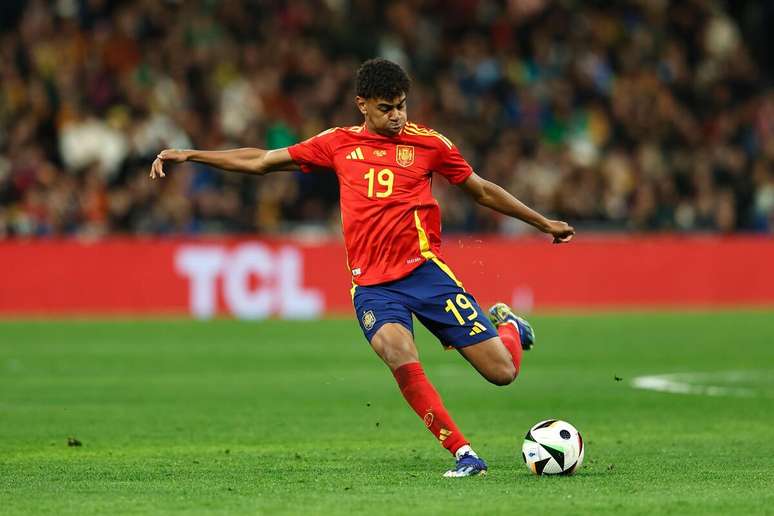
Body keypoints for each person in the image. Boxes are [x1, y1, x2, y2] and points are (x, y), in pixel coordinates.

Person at [150, 58, 574, 477]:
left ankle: (508, 327)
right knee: (398, 353)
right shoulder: (336, 144)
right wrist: (191, 154)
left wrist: (542, 222)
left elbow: (481, 191)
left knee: (503, 373)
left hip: (425, 274)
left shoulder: (430, 145)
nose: (396, 117)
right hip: (373, 287)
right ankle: (464, 454)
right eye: (386, 108)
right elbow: (260, 160)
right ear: (362, 105)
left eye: (402, 106)